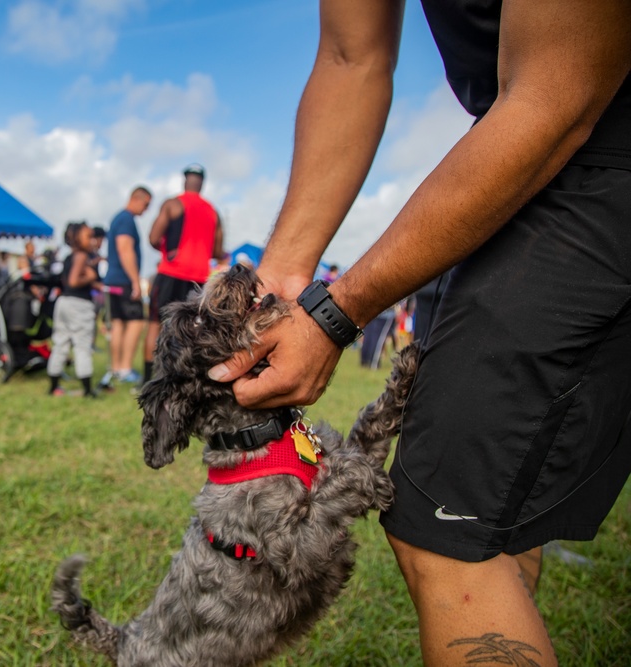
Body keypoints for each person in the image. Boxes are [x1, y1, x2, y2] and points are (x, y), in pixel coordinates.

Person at [206, 3, 631, 665]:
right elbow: (352, 57)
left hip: (591, 143)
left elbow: (559, 91)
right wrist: (282, 276)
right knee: (488, 515)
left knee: (446, 535)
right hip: (531, 154)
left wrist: (335, 311)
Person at [142, 163, 223, 385]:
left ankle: (148, 381)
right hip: (197, 278)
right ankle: (185, 379)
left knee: (155, 323)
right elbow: (217, 249)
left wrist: (168, 249)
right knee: (193, 329)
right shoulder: (213, 212)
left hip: (171, 272)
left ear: (185, 180)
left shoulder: (173, 204)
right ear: (202, 183)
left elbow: (153, 238)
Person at [101, 186, 151, 387]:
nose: (146, 209)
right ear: (136, 199)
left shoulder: (117, 218)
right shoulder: (126, 219)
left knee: (119, 323)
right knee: (136, 322)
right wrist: (135, 281)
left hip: (113, 281)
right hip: (123, 280)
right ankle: (125, 368)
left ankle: (116, 368)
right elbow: (125, 249)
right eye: (146, 204)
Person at [47, 222, 99, 398]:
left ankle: (53, 386)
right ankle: (87, 390)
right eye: (88, 237)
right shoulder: (82, 256)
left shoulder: (70, 256)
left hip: (64, 302)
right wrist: (91, 276)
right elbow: (74, 281)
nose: (93, 241)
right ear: (76, 238)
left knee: (60, 343)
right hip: (79, 305)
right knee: (82, 345)